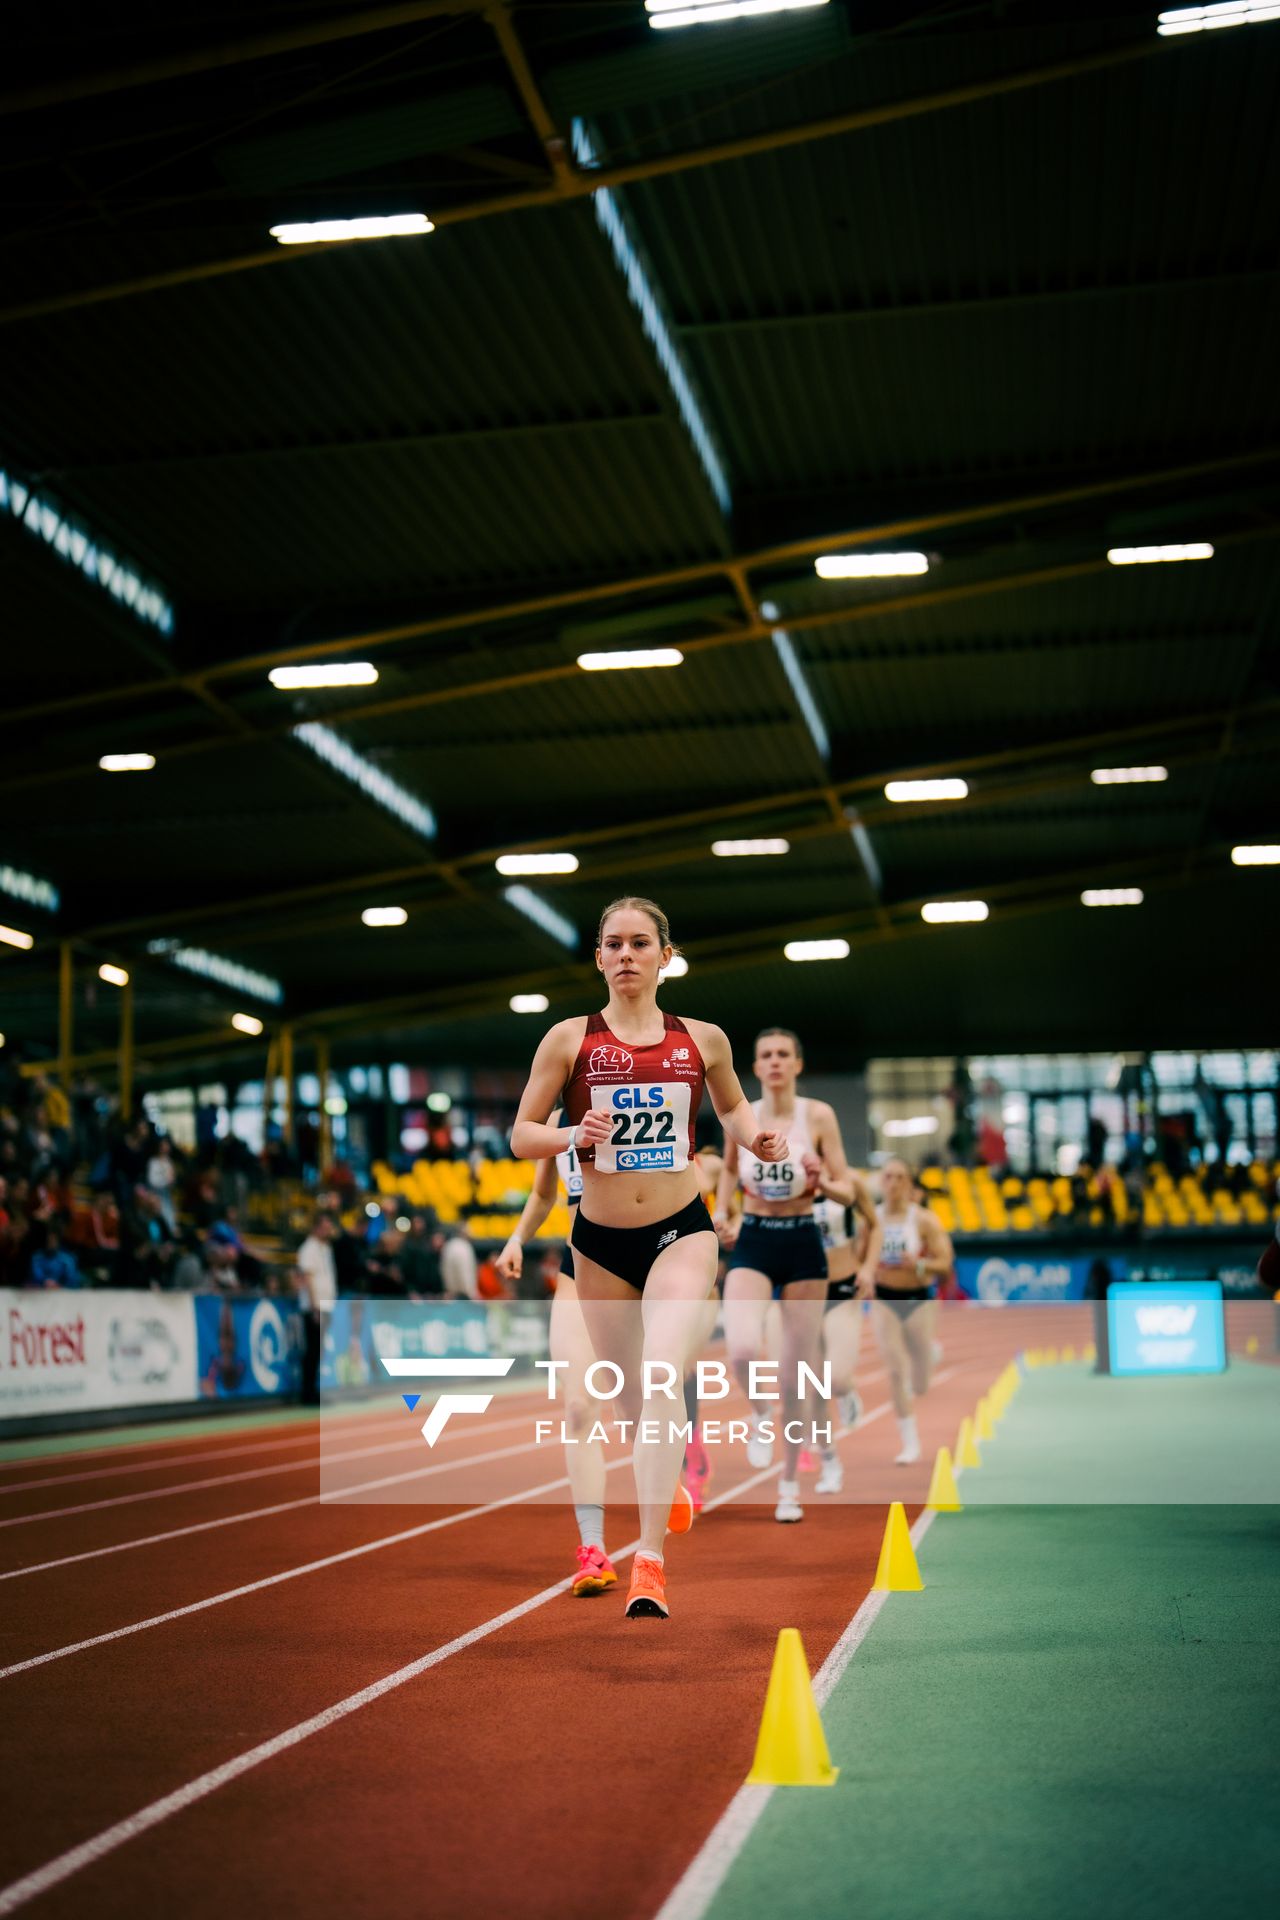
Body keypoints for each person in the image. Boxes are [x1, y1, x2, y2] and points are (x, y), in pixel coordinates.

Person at [510, 895, 787, 1620]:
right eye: (613, 944)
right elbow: (521, 1136)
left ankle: (649, 1562)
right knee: (633, 1406)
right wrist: (573, 1135)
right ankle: (670, 1486)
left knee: (662, 1375)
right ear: (598, 958)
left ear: (666, 955)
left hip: (679, 1232)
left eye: (640, 943)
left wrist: (755, 1138)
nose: (626, 955)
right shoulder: (569, 1041)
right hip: (597, 1246)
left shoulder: (704, 1039)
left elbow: (729, 1110)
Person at [715, 1028, 852, 1523]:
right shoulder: (742, 1113)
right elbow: (730, 1169)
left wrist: (822, 1182)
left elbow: (849, 1191)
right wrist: (724, 1210)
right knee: (743, 1348)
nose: (774, 1062)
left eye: (783, 1055)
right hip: (753, 1238)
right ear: (755, 1067)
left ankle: (789, 1484)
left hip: (801, 1242)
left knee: (795, 1376)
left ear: (797, 1063)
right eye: (765, 1055)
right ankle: (758, 1412)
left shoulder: (817, 1116)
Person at [497, 1112, 619, 1597]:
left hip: (644, 1269)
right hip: (579, 1270)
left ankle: (669, 1476)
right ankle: (594, 1550)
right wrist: (516, 1238)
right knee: (578, 1408)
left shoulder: (643, 1089)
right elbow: (545, 1193)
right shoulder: (556, 1120)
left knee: (641, 1407)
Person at [871, 1157, 954, 1463]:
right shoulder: (872, 1219)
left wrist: (918, 1263)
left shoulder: (924, 1221)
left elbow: (945, 1263)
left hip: (919, 1298)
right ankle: (910, 1441)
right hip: (884, 1299)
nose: (893, 1183)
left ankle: (928, 1351)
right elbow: (857, 1256)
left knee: (920, 1383)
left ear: (908, 1184)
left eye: (900, 1177)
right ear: (882, 1182)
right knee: (895, 1369)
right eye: (888, 1177)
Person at [809, 1167, 878, 1493]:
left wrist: (867, 1268)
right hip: (804, 1292)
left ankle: (847, 1389)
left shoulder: (850, 1180)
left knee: (835, 1377)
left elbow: (875, 1225)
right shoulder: (789, 1178)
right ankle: (830, 1462)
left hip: (842, 1289)